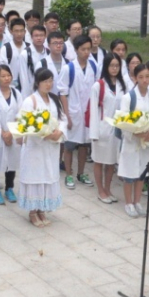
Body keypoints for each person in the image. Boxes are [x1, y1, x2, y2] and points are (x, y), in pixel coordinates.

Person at [18, 68, 66, 227]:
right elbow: (26, 125)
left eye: (51, 81)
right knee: (35, 177)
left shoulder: (54, 99)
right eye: (45, 81)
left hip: (51, 148)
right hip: (35, 148)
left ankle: (42, 209)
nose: (48, 84)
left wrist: (59, 131)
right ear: (38, 82)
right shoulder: (30, 101)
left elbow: (62, 118)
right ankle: (33, 211)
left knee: (47, 175)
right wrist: (44, 134)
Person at [117, 62, 149, 218]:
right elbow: (123, 120)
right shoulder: (128, 98)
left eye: (148, 76)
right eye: (141, 77)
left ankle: (137, 201)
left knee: (142, 172)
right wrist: (135, 133)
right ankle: (128, 203)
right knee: (129, 173)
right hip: (132, 142)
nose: (145, 80)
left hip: (146, 142)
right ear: (135, 78)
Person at [89, 53, 126, 204]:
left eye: (117, 65)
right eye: (112, 65)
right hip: (101, 129)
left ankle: (108, 188)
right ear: (106, 66)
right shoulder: (98, 85)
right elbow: (93, 110)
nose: (114, 68)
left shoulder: (122, 85)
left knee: (111, 162)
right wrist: (94, 133)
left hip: (116, 130)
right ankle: (100, 190)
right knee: (99, 161)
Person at [62, 35, 97, 189]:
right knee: (69, 146)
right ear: (76, 50)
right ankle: (69, 174)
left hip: (88, 112)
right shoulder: (68, 68)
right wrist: (67, 115)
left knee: (84, 145)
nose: (86, 52)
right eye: (83, 49)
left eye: (88, 49)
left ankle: (81, 173)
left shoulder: (93, 67)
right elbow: (62, 92)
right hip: (73, 112)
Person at [0, 64, 22, 206]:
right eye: (3, 76)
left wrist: (11, 132)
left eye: (8, 75)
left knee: (12, 162)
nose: (6, 78)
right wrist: (2, 133)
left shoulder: (16, 93)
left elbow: (21, 114)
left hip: (13, 134)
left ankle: (9, 188)